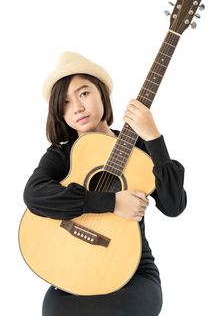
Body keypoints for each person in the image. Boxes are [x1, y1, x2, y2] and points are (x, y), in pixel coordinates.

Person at [23, 51, 187, 316]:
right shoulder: (62, 154)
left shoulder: (139, 148)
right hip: (70, 271)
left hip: (132, 273)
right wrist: (112, 203)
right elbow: (34, 195)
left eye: (84, 93)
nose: (76, 107)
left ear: (102, 94)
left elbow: (174, 205)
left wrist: (153, 137)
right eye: (64, 102)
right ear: (59, 113)